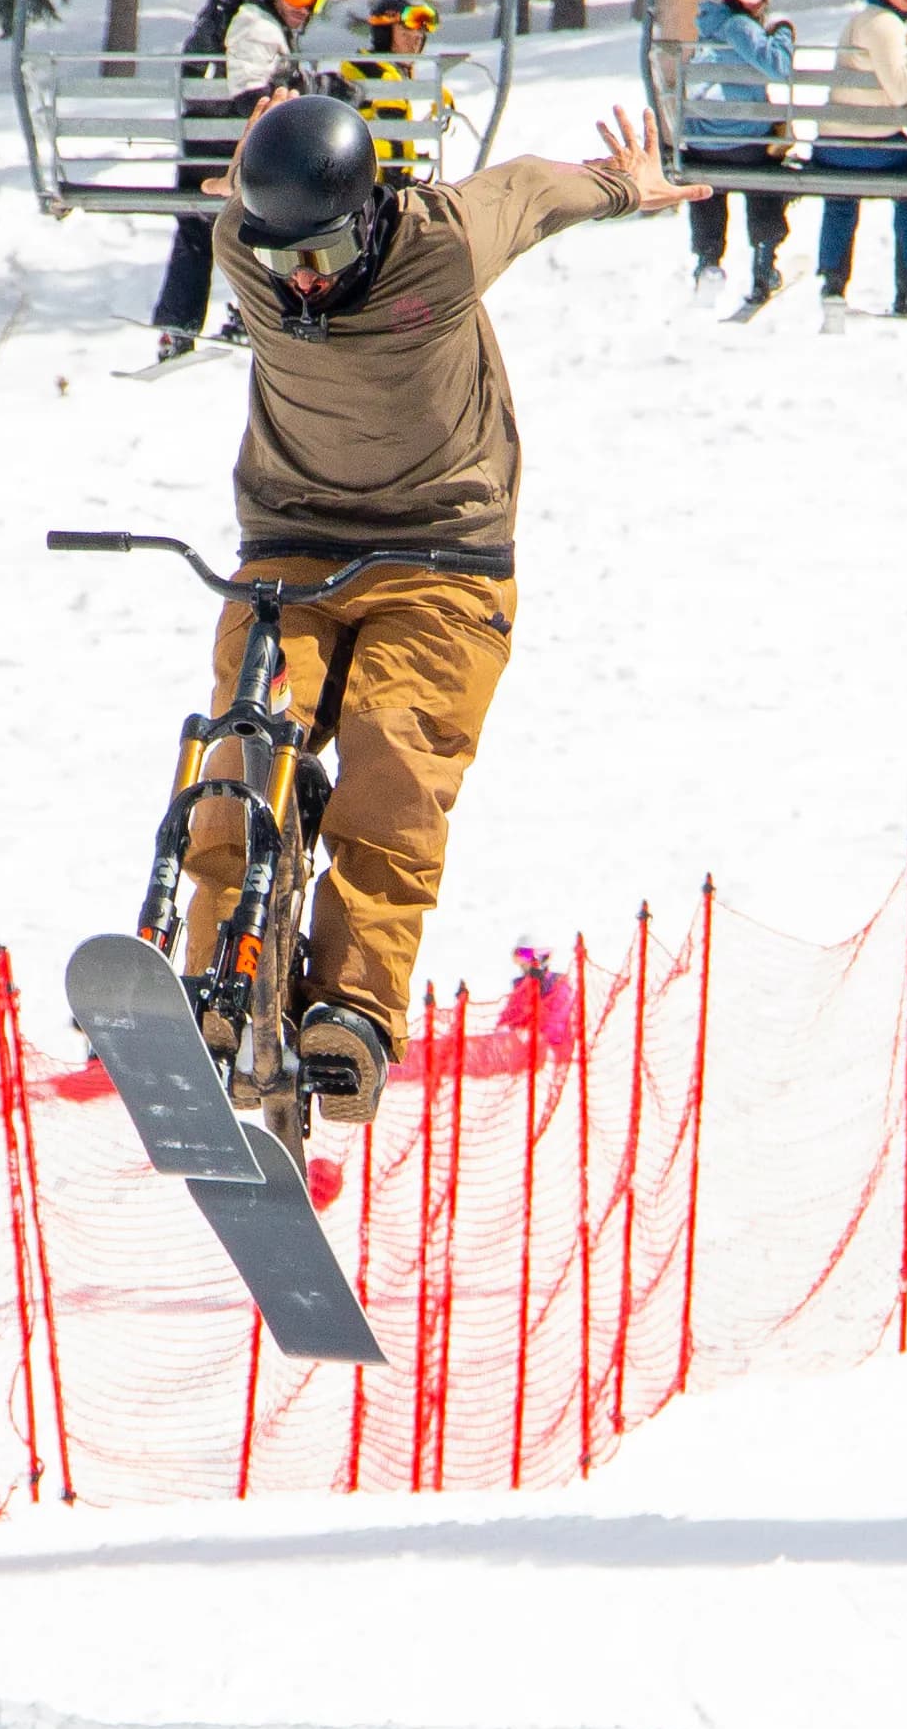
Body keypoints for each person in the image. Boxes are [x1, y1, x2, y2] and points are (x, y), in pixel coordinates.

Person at [180, 90, 709, 1123]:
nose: (304, 279)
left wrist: (623, 186)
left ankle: (353, 1007)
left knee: (394, 761)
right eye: (284, 257)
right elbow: (254, 194)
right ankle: (217, 981)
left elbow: (534, 189)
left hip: (441, 554)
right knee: (243, 749)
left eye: (325, 251)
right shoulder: (249, 240)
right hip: (290, 540)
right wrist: (259, 162)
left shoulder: (443, 243)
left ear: (371, 214)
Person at [151, 0, 332, 363]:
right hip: (227, 158)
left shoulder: (254, 20)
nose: (304, 7)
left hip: (202, 153)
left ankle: (178, 327)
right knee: (277, 226)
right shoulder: (256, 24)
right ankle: (249, 318)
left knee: (198, 234)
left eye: (314, 1)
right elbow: (249, 92)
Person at [813, 0, 907, 318]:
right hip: (870, 148)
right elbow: (900, 87)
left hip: (833, 147)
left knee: (841, 194)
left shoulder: (867, 21)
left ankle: (833, 281)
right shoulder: (884, 26)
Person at [680, 0, 795, 308]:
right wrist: (784, 33)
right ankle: (764, 259)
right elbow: (779, 67)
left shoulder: (710, 24)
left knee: (708, 186)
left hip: (701, 145)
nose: (762, 0)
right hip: (744, 147)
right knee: (766, 171)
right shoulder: (739, 26)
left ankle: (708, 260)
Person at [341, 0, 445, 184]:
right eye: (406, 32)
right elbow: (388, 135)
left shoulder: (387, 70)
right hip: (374, 186)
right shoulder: (380, 74)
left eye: (420, 34)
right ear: (385, 33)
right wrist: (395, 175)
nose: (415, 41)